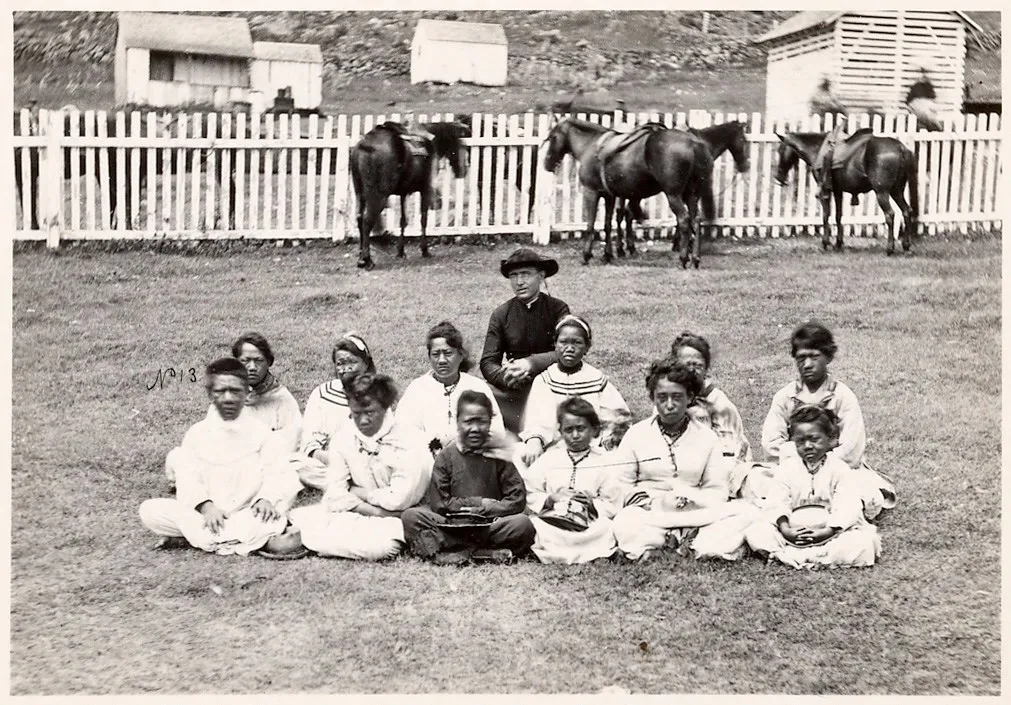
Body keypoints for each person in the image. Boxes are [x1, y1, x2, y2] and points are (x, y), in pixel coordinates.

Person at [139, 358, 303, 557]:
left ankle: (199, 539)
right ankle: (254, 542)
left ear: (247, 393)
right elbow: (188, 479)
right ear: (210, 395)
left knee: (269, 517)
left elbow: (279, 473)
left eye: (235, 391)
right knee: (150, 511)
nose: (228, 398)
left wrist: (265, 500)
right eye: (220, 391)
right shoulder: (197, 433)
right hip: (208, 516)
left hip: (248, 513)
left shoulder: (262, 433)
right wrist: (206, 507)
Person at [610, 358, 755, 562]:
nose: (670, 405)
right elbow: (621, 485)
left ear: (690, 398)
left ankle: (685, 544)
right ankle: (674, 545)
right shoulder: (636, 434)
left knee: (745, 512)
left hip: (696, 513)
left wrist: (693, 501)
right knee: (625, 522)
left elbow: (717, 488)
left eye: (677, 397)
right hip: (651, 513)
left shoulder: (707, 437)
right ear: (652, 398)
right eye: (662, 397)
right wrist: (650, 501)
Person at [760, 321, 896, 519]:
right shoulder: (785, 396)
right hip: (793, 468)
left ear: (828, 356)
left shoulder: (842, 396)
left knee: (863, 492)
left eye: (814, 357)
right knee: (758, 483)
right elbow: (771, 444)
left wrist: (822, 465)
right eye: (801, 358)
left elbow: (852, 449)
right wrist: (801, 463)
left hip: (837, 468)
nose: (807, 364)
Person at [290, 373, 432, 561]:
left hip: (396, 518)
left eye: (370, 412)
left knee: (380, 548)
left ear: (385, 407)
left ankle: (324, 544)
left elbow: (399, 501)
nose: (363, 420)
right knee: (297, 518)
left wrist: (357, 492)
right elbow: (335, 494)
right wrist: (373, 510)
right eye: (356, 413)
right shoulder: (343, 437)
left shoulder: (409, 440)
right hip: (361, 512)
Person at [401, 391, 536, 565]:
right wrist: (480, 504)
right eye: (468, 422)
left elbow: (517, 500)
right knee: (411, 517)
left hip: (489, 525)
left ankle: (456, 553)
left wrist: (486, 512)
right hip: (451, 525)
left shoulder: (499, 454)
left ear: (490, 423)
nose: (475, 428)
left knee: (522, 524)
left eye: (481, 421)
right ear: (458, 422)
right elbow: (439, 503)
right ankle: (483, 554)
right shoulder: (446, 456)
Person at [745, 405, 881, 569]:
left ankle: (798, 557)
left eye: (814, 439)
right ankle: (802, 555)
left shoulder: (839, 469)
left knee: (862, 542)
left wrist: (828, 530)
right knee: (757, 532)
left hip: (830, 534)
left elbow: (848, 506)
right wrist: (786, 528)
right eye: (800, 441)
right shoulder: (786, 468)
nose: (808, 446)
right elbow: (776, 502)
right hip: (793, 534)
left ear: (830, 438)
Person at [164, 332, 302, 486]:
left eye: (258, 361)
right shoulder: (228, 394)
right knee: (178, 456)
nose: (252, 367)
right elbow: (210, 437)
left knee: (300, 465)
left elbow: (290, 443)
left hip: (260, 464)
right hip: (224, 462)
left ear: (269, 362)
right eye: (245, 361)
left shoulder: (282, 399)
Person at [519, 314, 630, 467]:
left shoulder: (596, 379)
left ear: (587, 347)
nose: (569, 348)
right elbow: (536, 419)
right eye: (563, 342)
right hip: (554, 448)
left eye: (577, 343)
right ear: (555, 344)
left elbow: (617, 417)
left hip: (591, 448)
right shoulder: (545, 380)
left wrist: (607, 441)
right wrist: (535, 440)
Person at [480, 247, 570, 434]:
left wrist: (530, 363)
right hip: (514, 389)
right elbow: (488, 361)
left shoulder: (557, 309)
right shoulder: (501, 314)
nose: (519, 282)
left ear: (541, 276)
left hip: (552, 382)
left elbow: (566, 350)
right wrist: (507, 377)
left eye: (526, 274)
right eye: (514, 275)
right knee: (480, 398)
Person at [524, 398, 623, 564]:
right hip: (554, 519)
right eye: (569, 430)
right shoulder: (550, 458)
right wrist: (550, 498)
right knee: (536, 526)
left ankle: (586, 552)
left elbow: (613, 500)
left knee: (606, 528)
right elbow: (531, 489)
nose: (575, 435)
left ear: (594, 430)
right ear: (561, 432)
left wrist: (592, 503)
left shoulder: (605, 461)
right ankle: (560, 551)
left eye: (581, 429)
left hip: (590, 522)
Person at [396, 321, 507, 456]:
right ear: (429, 356)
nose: (442, 360)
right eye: (436, 354)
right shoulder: (417, 388)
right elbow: (404, 431)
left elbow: (496, 431)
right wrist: (433, 445)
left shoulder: (477, 387)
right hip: (429, 458)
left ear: (461, 355)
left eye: (448, 353)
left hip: (472, 457)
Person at [669, 332, 753, 495]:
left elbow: (729, 453)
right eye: (686, 365)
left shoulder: (718, 404)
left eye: (698, 365)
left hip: (719, 472)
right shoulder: (669, 399)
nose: (692, 371)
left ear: (706, 368)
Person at [291, 332, 376, 490]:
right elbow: (309, 439)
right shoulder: (323, 393)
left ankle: (349, 485)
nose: (346, 369)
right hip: (327, 462)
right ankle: (351, 487)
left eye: (352, 362)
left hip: (364, 463)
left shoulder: (378, 394)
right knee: (296, 464)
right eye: (340, 363)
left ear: (366, 364)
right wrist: (334, 460)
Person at [906, 67, 942, 132]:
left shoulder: (928, 86)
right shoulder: (916, 86)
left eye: (924, 73)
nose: (923, 76)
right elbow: (909, 102)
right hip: (917, 110)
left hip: (926, 109)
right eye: (921, 73)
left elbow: (932, 99)